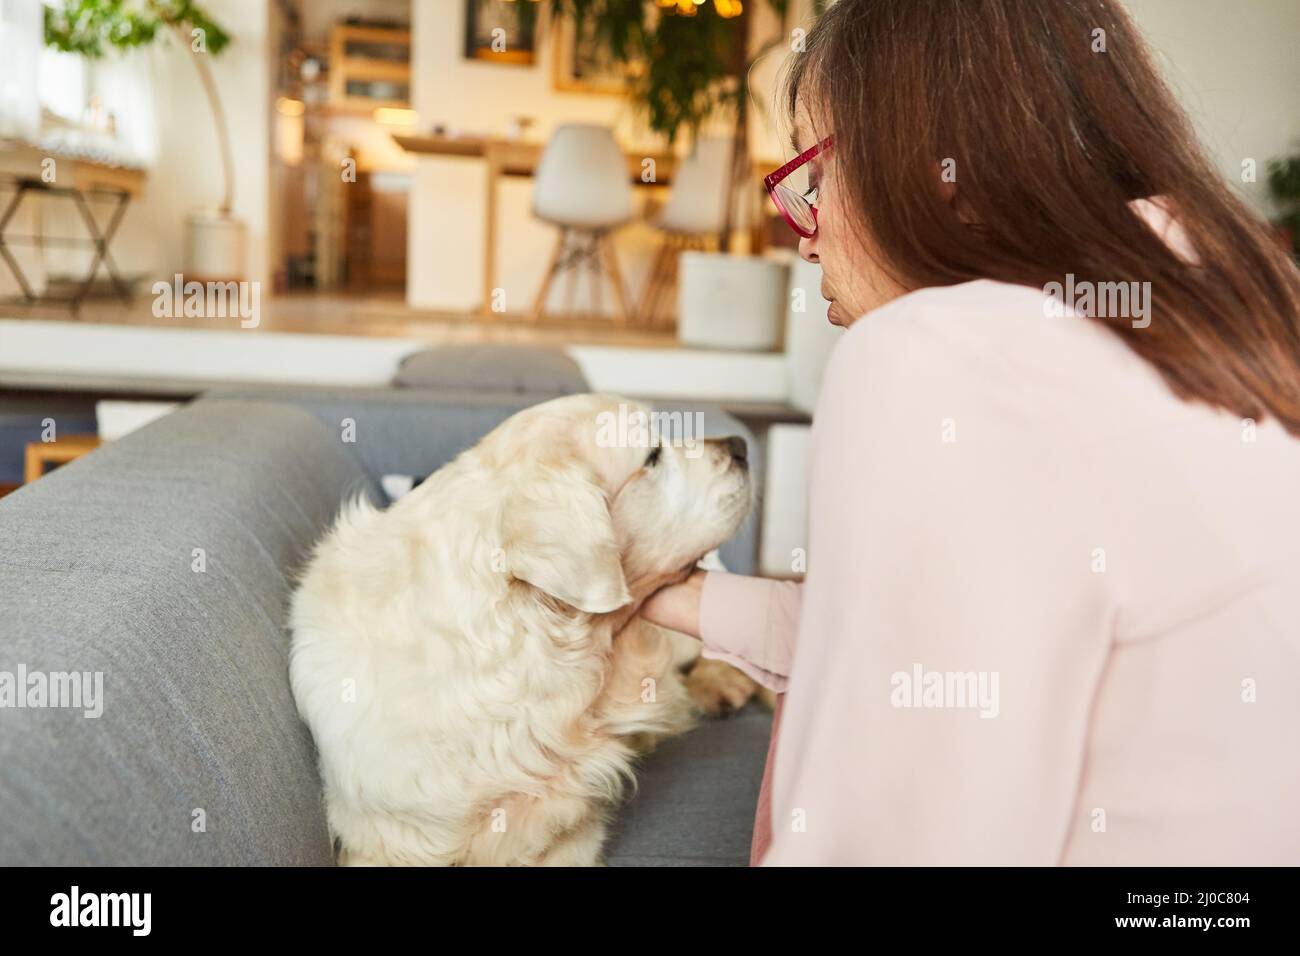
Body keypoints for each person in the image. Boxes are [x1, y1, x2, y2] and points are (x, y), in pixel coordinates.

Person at [642, 0, 1300, 865]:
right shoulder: (1239, 291)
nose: (804, 236)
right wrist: (679, 600)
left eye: (813, 175)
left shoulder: (940, 356)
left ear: (932, 168)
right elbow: (949, 652)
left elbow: (889, 838)